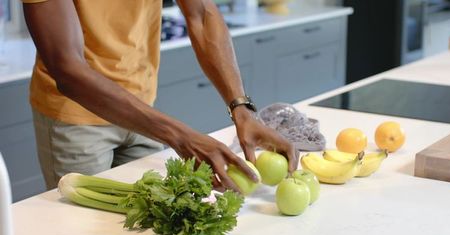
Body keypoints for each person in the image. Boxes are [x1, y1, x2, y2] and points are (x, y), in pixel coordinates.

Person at [22, 0, 298, 192]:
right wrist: (178, 135)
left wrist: (241, 107)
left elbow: (201, 14)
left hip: (143, 108)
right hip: (77, 118)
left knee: (150, 227)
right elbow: (68, 69)